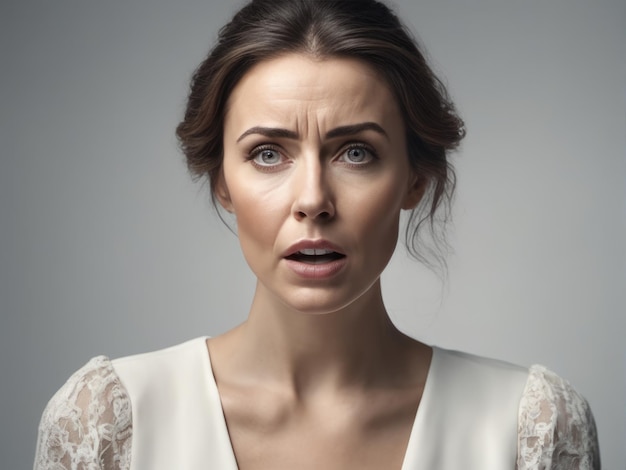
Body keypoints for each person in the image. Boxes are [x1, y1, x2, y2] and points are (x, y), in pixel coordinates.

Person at [33, 0, 600, 469]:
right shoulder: (107, 425)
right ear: (221, 183)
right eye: (268, 153)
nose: (312, 200)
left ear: (414, 180)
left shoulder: (533, 430)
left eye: (356, 152)